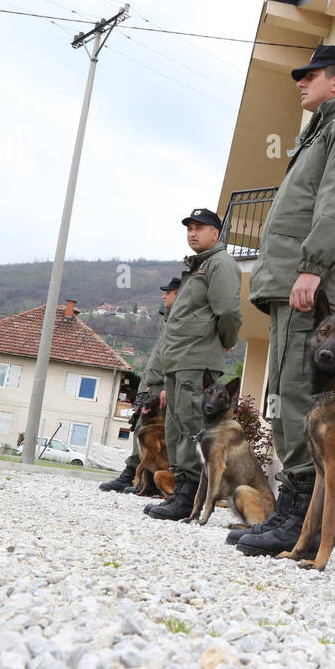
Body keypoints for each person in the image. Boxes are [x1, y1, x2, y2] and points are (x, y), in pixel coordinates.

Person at [232, 44, 335, 557]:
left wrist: (312, 268)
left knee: (300, 394)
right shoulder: (321, 130)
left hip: (312, 290)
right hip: (292, 284)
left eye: (311, 75)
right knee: (285, 392)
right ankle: (292, 513)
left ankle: (301, 513)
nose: (301, 82)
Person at [143, 210, 242, 520]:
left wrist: (227, 338)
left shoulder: (220, 263)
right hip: (179, 359)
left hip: (197, 359)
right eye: (190, 228)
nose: (192, 233)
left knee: (190, 427)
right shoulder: (197, 267)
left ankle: (189, 498)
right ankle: (180, 490)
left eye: (200, 228)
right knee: (176, 426)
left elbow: (227, 309)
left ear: (216, 234)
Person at [99, 277, 180, 493]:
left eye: (169, 292)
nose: (164, 296)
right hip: (152, 386)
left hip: (162, 387)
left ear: (179, 293)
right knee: (140, 431)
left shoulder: (179, 322)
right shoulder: (171, 323)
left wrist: (165, 387)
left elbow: (174, 358)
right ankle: (141, 480)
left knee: (149, 436)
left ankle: (138, 479)